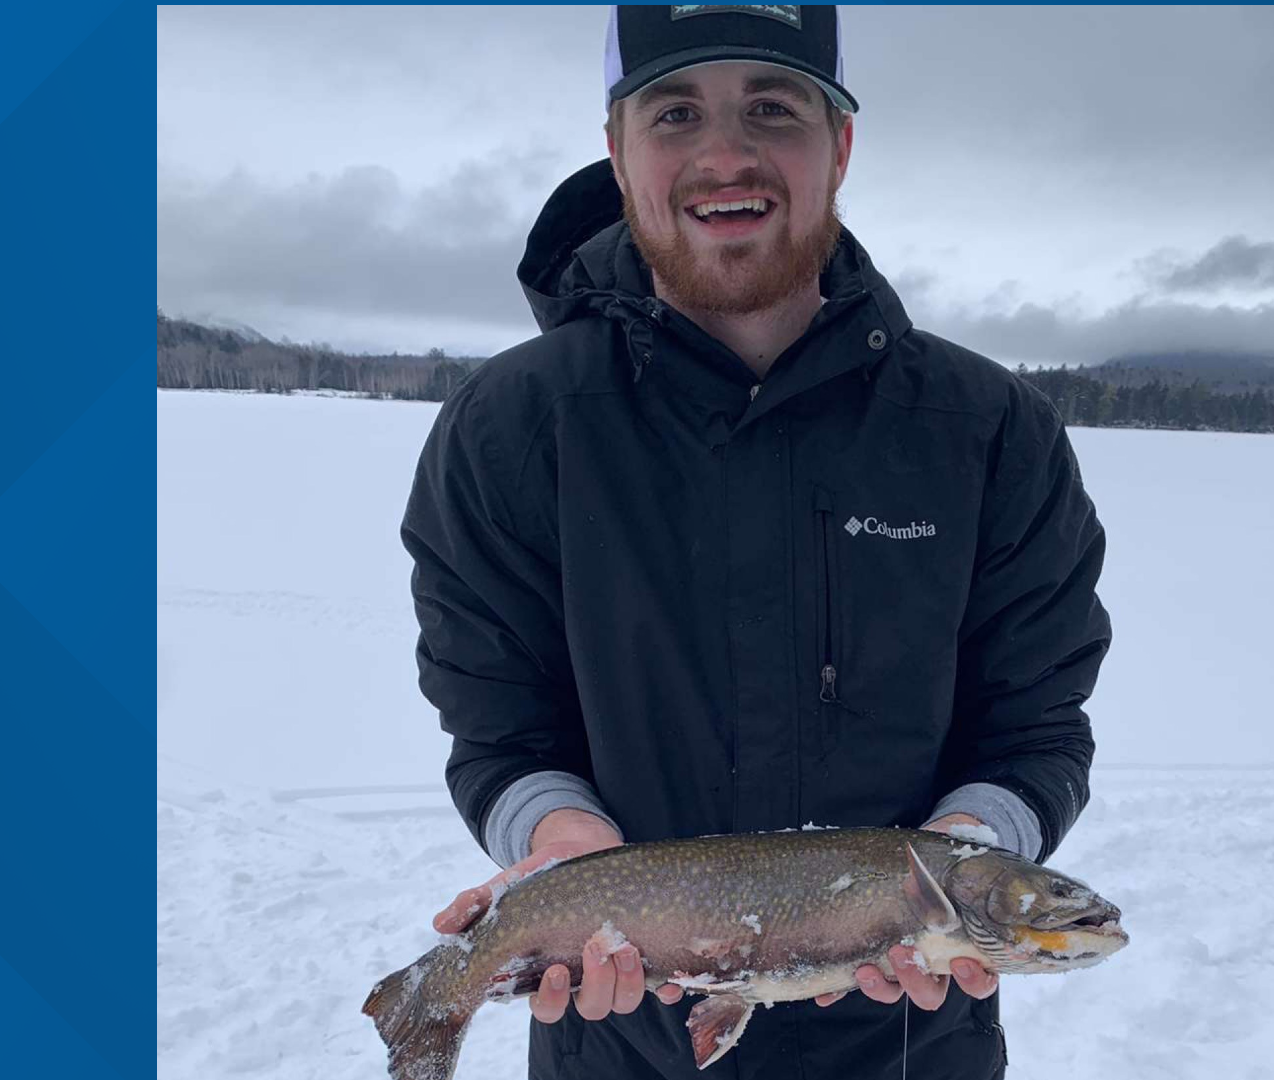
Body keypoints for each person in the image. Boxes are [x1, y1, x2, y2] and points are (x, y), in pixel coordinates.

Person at [399, 6, 1111, 1077]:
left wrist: (972, 843)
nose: (725, 153)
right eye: (675, 112)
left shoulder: (988, 429)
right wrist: (556, 836)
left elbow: (1036, 721)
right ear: (618, 151)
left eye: (772, 109)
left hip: (914, 1050)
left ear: (840, 146)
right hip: (613, 1043)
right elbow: (500, 726)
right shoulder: (509, 429)